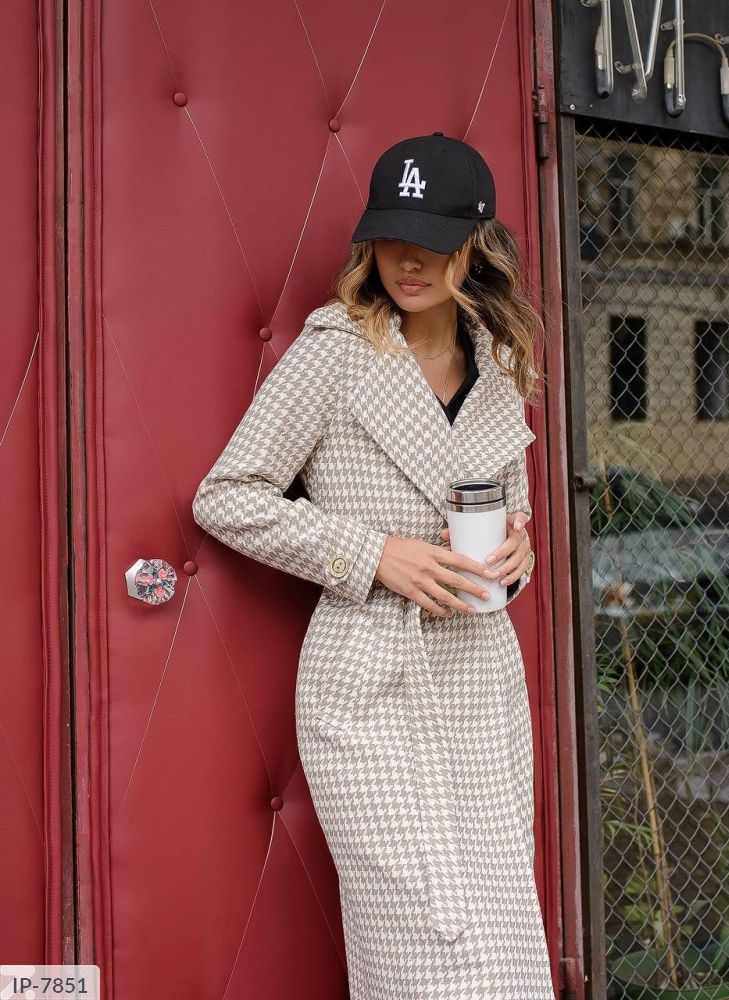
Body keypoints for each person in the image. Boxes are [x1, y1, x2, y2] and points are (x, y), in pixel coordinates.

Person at [192, 132, 554, 999]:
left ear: (474, 242)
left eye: (430, 239)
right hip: (368, 686)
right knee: (420, 946)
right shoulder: (334, 352)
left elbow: (512, 510)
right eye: (391, 236)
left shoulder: (500, 360)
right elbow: (226, 495)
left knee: (502, 939)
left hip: (480, 677)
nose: (407, 260)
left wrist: (520, 552)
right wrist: (372, 553)